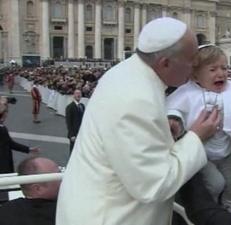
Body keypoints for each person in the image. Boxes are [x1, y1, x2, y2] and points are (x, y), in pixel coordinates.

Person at [56, 17, 220, 225]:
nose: (195, 67)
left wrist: (160, 128)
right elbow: (155, 184)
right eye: (192, 60)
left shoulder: (127, 72)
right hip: (109, 216)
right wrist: (196, 137)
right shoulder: (136, 98)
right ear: (165, 63)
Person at [166, 44, 231, 212]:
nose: (221, 73)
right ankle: (206, 210)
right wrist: (175, 121)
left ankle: (228, 210)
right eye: (213, 70)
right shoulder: (186, 92)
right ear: (195, 75)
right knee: (216, 183)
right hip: (201, 152)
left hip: (226, 151)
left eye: (224, 68)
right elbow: (174, 110)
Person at [0, 157, 61, 225]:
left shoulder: (6, 210)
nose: (63, 181)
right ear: (38, 188)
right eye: (57, 176)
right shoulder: (61, 212)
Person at [0, 97, 39, 174]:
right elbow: (10, 143)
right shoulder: (1, 129)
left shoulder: (2, 127)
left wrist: (28, 149)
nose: (7, 114)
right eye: (6, 112)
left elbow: (10, 143)